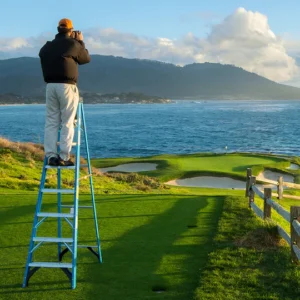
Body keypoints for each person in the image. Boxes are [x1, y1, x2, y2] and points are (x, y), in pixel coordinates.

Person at [39, 18, 91, 166]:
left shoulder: (47, 46)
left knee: (51, 122)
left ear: (58, 29)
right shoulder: (73, 44)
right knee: (68, 122)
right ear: (70, 30)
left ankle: (50, 156)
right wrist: (80, 42)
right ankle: (64, 156)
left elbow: (41, 54)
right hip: (67, 86)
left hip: (50, 86)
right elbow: (85, 58)